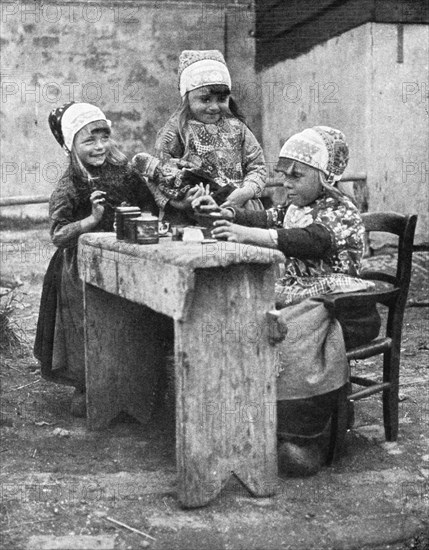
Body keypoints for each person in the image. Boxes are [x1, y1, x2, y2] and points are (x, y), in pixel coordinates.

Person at [192, 126, 381, 476]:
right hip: (306, 297)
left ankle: (305, 437)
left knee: (288, 336)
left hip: (345, 306)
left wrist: (247, 235)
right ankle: (261, 420)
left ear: (325, 178)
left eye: (297, 175)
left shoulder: (339, 211)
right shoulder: (294, 205)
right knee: (254, 321)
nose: (287, 183)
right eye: (283, 175)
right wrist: (226, 214)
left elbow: (309, 240)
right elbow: (261, 217)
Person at [34, 102, 158, 417]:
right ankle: (88, 385)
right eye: (89, 140)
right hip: (80, 266)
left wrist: (140, 219)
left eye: (103, 137)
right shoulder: (70, 185)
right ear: (71, 145)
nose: (99, 146)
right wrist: (91, 220)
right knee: (89, 325)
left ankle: (132, 387)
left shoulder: (125, 171)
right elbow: (59, 236)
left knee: (128, 318)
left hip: (124, 255)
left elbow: (149, 206)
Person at [132, 49, 266, 224]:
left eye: (221, 99)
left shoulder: (238, 128)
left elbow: (258, 166)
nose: (214, 107)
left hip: (236, 208)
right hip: (191, 214)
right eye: (205, 99)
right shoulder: (175, 130)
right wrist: (179, 202)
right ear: (187, 98)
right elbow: (155, 177)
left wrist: (245, 192)